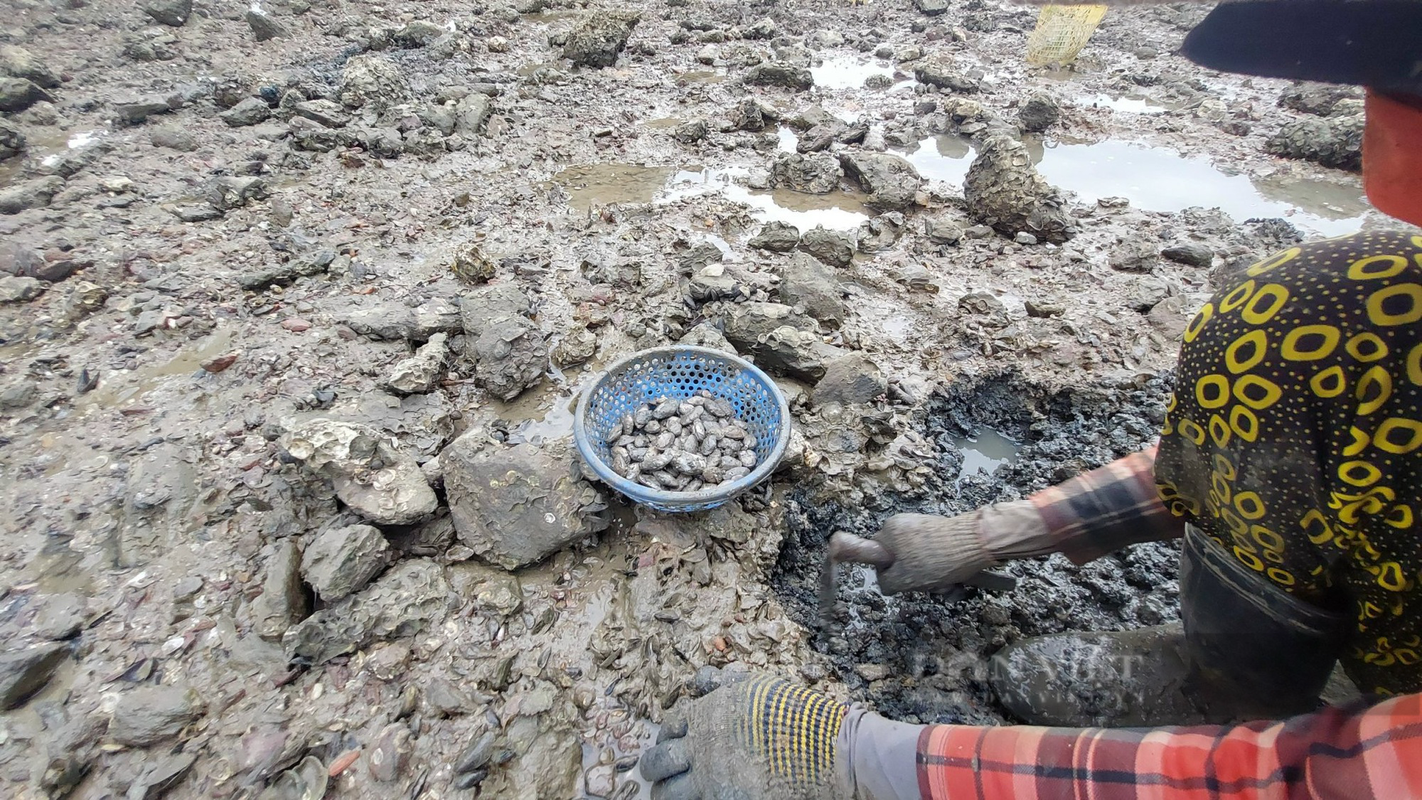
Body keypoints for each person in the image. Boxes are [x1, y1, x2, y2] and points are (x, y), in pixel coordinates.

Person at [640, 0, 1422, 797]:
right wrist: (1000, 533)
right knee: (1308, 314)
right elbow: (1250, 454)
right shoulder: (1367, 309)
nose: (1364, 101)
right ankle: (1239, 685)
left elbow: (1342, 781)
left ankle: (1256, 712)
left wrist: (872, 764)